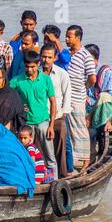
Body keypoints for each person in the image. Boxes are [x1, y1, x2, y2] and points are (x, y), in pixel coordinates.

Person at [10, 50, 59, 179]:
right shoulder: (17, 80)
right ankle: (28, 179)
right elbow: (8, 97)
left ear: (38, 64)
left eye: (32, 66)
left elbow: (53, 102)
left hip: (43, 122)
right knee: (24, 154)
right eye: (27, 66)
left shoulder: (45, 79)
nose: (30, 69)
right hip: (26, 124)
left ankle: (55, 183)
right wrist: (19, 107)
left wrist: (51, 125)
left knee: (50, 156)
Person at [66, 25, 97, 171]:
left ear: (77, 38)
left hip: (78, 97)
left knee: (79, 129)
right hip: (66, 97)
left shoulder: (86, 55)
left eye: (69, 36)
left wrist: (84, 89)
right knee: (69, 129)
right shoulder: (67, 54)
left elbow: (92, 78)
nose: (66, 39)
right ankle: (72, 159)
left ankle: (85, 162)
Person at [40, 44, 72, 178]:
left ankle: (61, 175)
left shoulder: (61, 74)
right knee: (41, 148)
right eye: (44, 56)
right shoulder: (36, 73)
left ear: (55, 58)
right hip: (40, 117)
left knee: (60, 146)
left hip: (58, 116)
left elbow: (67, 95)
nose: (46, 60)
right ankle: (42, 174)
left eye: (49, 57)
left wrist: (64, 114)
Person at [85, 43, 112, 158]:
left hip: (104, 113)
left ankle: (96, 153)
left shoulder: (106, 72)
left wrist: (110, 120)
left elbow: (111, 100)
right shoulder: (85, 72)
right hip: (90, 110)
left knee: (104, 96)